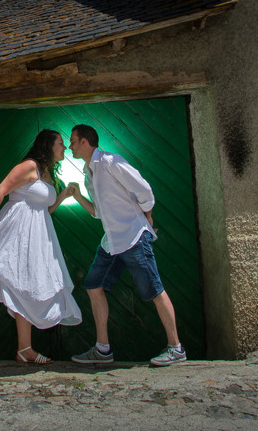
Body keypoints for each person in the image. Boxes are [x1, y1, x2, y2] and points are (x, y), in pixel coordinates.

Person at [0, 129, 82, 369]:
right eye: (60, 143)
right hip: (13, 234)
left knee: (27, 287)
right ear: (47, 145)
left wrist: (63, 195)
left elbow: (45, 210)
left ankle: (25, 349)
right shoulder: (28, 166)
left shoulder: (47, 173)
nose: (64, 148)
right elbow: (1, 191)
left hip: (36, 239)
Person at [65, 124, 186, 366]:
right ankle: (102, 350)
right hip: (111, 242)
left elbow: (145, 190)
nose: (70, 146)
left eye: (73, 141)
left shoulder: (110, 162)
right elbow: (98, 213)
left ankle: (176, 349)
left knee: (154, 290)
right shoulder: (88, 173)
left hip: (132, 236)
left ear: (85, 142)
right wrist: (78, 197)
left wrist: (147, 216)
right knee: (93, 286)